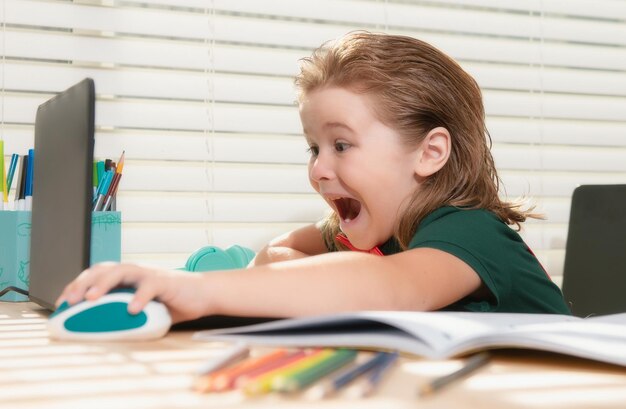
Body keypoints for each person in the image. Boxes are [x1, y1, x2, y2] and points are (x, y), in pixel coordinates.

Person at [57, 32, 571, 322]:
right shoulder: (375, 230)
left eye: (341, 145)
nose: (319, 169)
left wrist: (203, 289)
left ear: (430, 152)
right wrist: (291, 265)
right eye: (314, 147)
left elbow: (392, 288)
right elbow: (282, 246)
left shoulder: (469, 230)